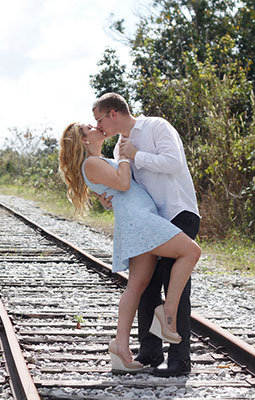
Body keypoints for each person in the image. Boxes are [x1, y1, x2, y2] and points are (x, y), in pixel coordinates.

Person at [59, 122, 201, 373]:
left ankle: (121, 347)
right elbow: (124, 184)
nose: (96, 127)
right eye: (90, 126)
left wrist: (108, 194)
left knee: (137, 284)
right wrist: (125, 156)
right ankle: (167, 312)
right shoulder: (91, 163)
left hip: (139, 218)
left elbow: (119, 187)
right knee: (191, 251)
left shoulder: (98, 160)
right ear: (84, 140)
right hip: (140, 220)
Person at [93, 92, 200, 377]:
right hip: (150, 222)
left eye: (100, 120)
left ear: (113, 113)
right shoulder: (118, 149)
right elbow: (127, 185)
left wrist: (137, 156)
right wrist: (110, 196)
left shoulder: (156, 127)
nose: (99, 127)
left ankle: (180, 360)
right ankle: (150, 351)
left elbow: (173, 163)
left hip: (178, 212)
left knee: (174, 285)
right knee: (147, 285)